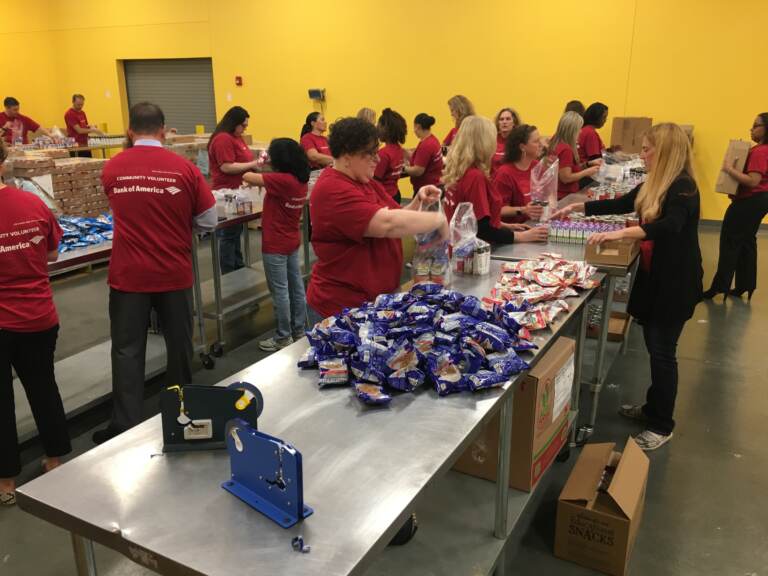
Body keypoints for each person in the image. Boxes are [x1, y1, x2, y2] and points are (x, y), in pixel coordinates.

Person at [552, 123, 702, 451]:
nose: (643, 155)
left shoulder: (683, 188)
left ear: (664, 152)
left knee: (663, 354)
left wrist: (618, 235)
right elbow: (622, 204)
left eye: (648, 149)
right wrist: (578, 207)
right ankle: (652, 408)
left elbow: (668, 226)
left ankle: (663, 424)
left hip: (675, 284)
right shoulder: (656, 183)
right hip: (655, 279)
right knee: (654, 345)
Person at [92, 102, 216, 444]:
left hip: (128, 275)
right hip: (173, 274)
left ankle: (125, 427)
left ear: (130, 131)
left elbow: (116, 207)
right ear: (164, 130)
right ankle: (181, 417)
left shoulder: (112, 168)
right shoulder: (184, 169)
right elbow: (208, 220)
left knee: (127, 350)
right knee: (178, 347)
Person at [306, 117, 447, 323]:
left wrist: (418, 201)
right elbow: (387, 224)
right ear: (347, 156)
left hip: (373, 303)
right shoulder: (332, 189)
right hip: (342, 308)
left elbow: (397, 213)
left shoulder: (364, 182)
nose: (377, 159)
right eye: (370, 154)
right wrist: (438, 221)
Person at [0, 142, 71, 506]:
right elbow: (53, 252)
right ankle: (56, 459)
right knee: (43, 387)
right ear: (4, 161)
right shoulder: (32, 204)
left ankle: (6, 481)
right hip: (38, 316)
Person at [243, 139, 310, 352]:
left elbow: (247, 176)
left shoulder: (282, 180)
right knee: (296, 287)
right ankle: (299, 330)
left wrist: (262, 162)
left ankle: (283, 336)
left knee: (280, 291)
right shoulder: (299, 179)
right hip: (291, 239)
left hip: (275, 243)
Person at [442, 116, 548, 245]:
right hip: (471, 252)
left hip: (456, 246)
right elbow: (483, 229)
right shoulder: (475, 176)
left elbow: (471, 218)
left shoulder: (460, 170)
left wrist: (503, 225)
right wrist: (521, 236)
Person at [704, 112, 768, 301]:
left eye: (756, 125)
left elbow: (753, 181)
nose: (751, 129)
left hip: (749, 201)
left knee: (730, 242)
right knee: (747, 242)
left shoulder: (760, 151)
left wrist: (729, 169)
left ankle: (719, 287)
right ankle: (745, 285)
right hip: (760, 201)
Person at [208, 106, 260, 274]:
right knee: (229, 235)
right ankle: (229, 272)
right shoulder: (223, 139)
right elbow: (227, 167)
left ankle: (238, 266)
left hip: (240, 192)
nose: (245, 129)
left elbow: (243, 160)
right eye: (243, 125)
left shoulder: (237, 138)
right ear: (233, 123)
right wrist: (253, 164)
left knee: (236, 233)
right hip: (227, 194)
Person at [493, 124, 544, 224]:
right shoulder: (504, 173)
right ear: (522, 147)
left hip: (534, 223)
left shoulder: (537, 166)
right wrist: (524, 210)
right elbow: (498, 210)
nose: (541, 144)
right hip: (515, 230)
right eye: (536, 141)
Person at [548, 111, 599, 200]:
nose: (580, 131)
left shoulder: (556, 142)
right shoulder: (566, 149)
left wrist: (589, 164)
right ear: (572, 130)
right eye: (579, 128)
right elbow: (565, 178)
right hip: (564, 196)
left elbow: (568, 168)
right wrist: (587, 172)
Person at [404, 113, 444, 194]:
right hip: (434, 185)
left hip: (426, 189)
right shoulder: (432, 140)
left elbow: (418, 171)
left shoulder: (426, 145)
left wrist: (404, 168)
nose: (414, 131)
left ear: (417, 126)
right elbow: (423, 159)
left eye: (414, 127)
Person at [374, 108, 407, 204]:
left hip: (384, 197)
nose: (377, 128)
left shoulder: (383, 154)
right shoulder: (399, 149)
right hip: (395, 194)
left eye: (379, 126)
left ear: (386, 129)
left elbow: (374, 182)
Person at [491, 107, 521, 175]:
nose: (504, 122)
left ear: (514, 123)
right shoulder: (491, 140)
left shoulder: (519, 141)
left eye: (508, 119)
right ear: (498, 123)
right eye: (501, 119)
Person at [578, 102, 609, 166]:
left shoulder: (584, 129)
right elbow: (595, 159)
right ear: (596, 116)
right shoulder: (590, 133)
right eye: (604, 117)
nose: (605, 120)